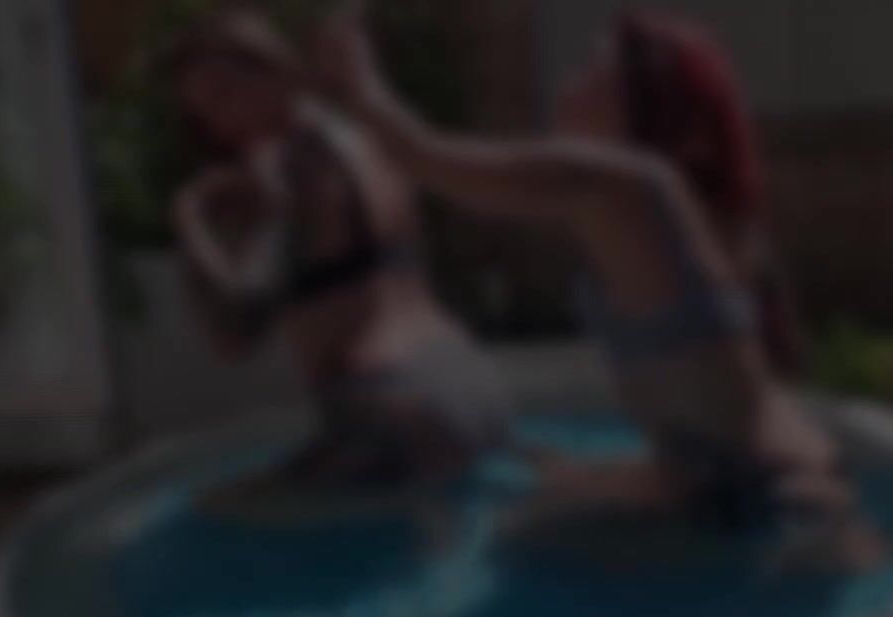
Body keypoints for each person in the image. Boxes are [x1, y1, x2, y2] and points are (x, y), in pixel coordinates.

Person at [313, 3, 884, 570]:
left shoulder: (630, 182)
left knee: (514, 550)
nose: (571, 79)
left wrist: (361, 82)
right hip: (760, 495)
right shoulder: (671, 216)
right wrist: (602, 478)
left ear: (641, 103)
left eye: (593, 67)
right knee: (534, 502)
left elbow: (425, 158)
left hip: (771, 513)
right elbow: (716, 403)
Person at [166, 7, 512, 524]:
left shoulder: (288, 165)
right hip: (470, 381)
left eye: (223, 93)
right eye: (202, 112)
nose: (218, 121)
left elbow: (234, 334)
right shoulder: (366, 138)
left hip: (390, 406)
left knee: (213, 518)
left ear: (273, 70)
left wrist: (190, 220)